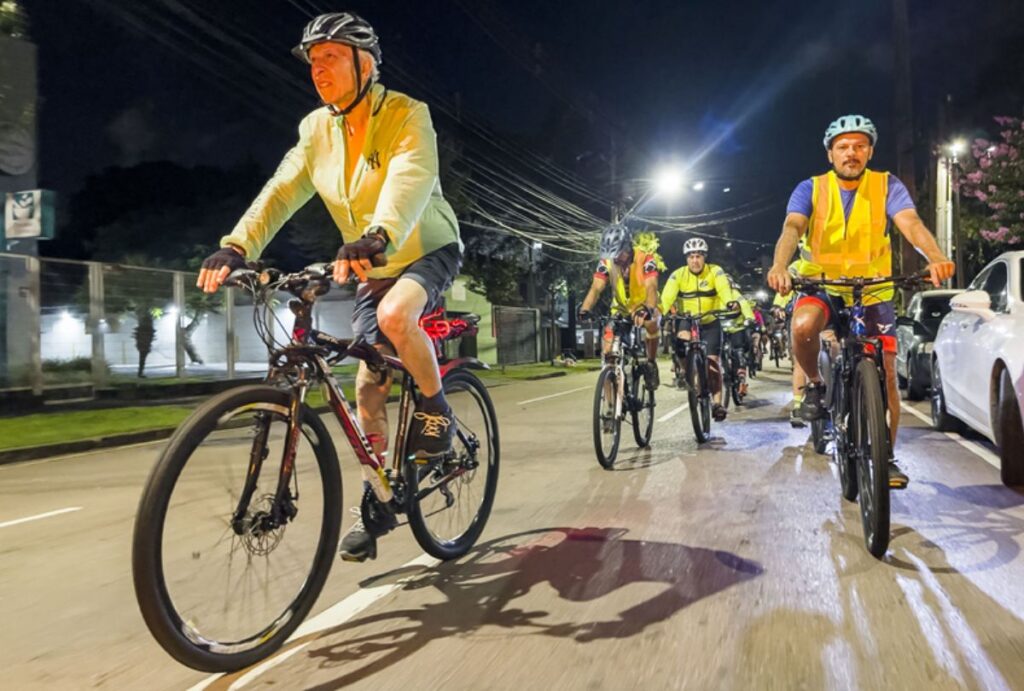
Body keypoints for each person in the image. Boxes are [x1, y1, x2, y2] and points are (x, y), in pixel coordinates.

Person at [196, 12, 463, 562]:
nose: (319, 71)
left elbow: (411, 178)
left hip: (423, 248)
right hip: (370, 263)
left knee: (395, 318)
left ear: (366, 63)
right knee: (368, 381)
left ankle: (438, 409)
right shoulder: (315, 130)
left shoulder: (408, 115)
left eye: (331, 59)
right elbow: (281, 190)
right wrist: (237, 245)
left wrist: (377, 233)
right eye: (313, 63)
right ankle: (381, 493)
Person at [767, 114, 955, 486]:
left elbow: (911, 224)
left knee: (885, 376)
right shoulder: (811, 188)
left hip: (873, 290)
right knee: (803, 326)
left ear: (869, 151)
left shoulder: (887, 185)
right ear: (830, 154)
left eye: (859, 145)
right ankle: (817, 386)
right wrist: (779, 265)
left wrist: (935, 256)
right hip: (822, 285)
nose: (851, 153)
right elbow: (792, 227)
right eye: (843, 147)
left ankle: (885, 459)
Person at [659, 237, 745, 421]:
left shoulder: (715, 271)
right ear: (686, 259)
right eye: (691, 257)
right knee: (681, 342)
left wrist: (730, 302)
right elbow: (666, 297)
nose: (695, 261)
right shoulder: (678, 275)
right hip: (687, 319)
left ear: (704, 257)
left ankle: (717, 403)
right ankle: (687, 372)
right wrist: (660, 311)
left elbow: (723, 290)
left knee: (713, 363)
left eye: (698, 256)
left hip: (710, 320)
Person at [578, 227, 664, 389]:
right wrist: (585, 309)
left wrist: (648, 308)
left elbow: (652, 286)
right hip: (620, 309)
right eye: (610, 255)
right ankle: (611, 407)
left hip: (644, 305)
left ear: (627, 247)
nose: (614, 259)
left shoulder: (645, 258)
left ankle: (652, 363)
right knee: (608, 351)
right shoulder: (607, 262)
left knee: (652, 323)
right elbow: (596, 288)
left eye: (617, 254)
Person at [720, 293, 757, 397]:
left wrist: (749, 317)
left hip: (737, 329)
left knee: (739, 352)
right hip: (720, 330)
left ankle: (742, 381)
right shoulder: (714, 294)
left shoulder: (735, 294)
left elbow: (745, 305)